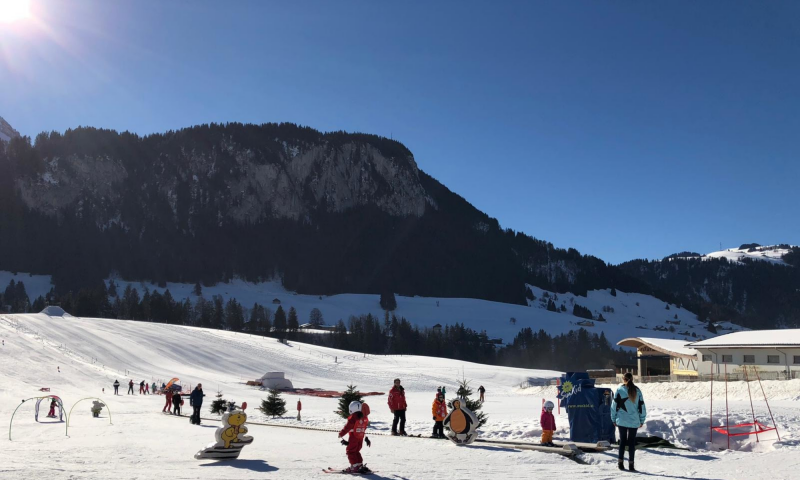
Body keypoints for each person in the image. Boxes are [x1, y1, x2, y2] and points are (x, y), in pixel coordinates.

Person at [611, 372, 647, 472]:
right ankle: (631, 465)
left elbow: (613, 406)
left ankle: (620, 463)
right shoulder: (637, 391)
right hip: (634, 421)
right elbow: (642, 407)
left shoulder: (619, 390)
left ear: (624, 379)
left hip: (621, 421)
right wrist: (642, 420)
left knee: (622, 442)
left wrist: (613, 419)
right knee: (631, 443)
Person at [337, 401, 372, 474]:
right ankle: (359, 464)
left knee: (350, 451)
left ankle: (354, 466)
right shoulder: (363, 417)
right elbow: (364, 427)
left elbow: (347, 427)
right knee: (356, 451)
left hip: (354, 437)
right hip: (360, 437)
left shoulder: (353, 417)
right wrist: (366, 438)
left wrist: (341, 434)